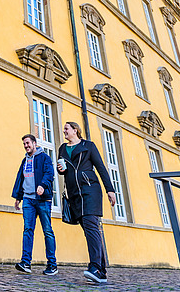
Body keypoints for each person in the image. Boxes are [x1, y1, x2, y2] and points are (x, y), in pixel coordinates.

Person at [57, 121, 116, 285]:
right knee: (90, 230)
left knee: (91, 226)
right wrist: (60, 169)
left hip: (90, 190)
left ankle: (95, 267)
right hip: (74, 194)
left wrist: (110, 189)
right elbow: (62, 168)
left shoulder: (88, 146)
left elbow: (101, 167)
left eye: (66, 128)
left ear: (75, 130)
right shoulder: (63, 148)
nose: (64, 131)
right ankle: (101, 272)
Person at [11, 134, 57, 276]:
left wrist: (43, 185)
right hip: (28, 200)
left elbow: (50, 173)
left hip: (43, 200)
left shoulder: (44, 158)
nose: (26, 145)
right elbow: (20, 178)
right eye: (24, 144)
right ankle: (25, 262)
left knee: (47, 231)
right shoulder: (25, 160)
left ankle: (52, 264)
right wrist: (18, 197)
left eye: (28, 143)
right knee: (27, 230)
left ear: (34, 143)